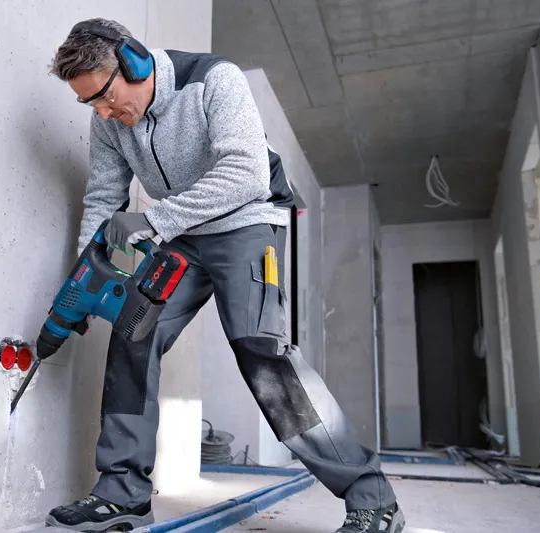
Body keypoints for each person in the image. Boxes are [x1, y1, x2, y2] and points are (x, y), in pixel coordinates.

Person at [44, 18, 406, 533]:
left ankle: (373, 498)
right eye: (90, 105)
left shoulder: (215, 80)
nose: (103, 112)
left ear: (134, 63)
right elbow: (103, 200)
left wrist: (155, 221)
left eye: (104, 96)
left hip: (246, 220)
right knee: (132, 332)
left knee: (262, 352)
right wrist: (85, 280)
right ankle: (122, 493)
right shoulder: (108, 122)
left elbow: (246, 173)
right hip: (181, 233)